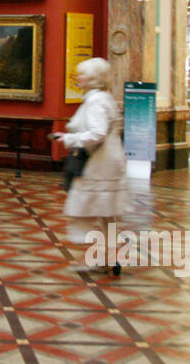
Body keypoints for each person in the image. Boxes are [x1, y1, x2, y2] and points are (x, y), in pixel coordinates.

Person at [50, 57, 130, 275]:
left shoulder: (96, 101)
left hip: (99, 163)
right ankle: (109, 258)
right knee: (106, 213)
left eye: (83, 74)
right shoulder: (101, 98)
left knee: (93, 209)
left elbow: (97, 133)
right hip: (105, 161)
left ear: (93, 78)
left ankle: (104, 258)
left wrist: (68, 140)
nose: (79, 78)